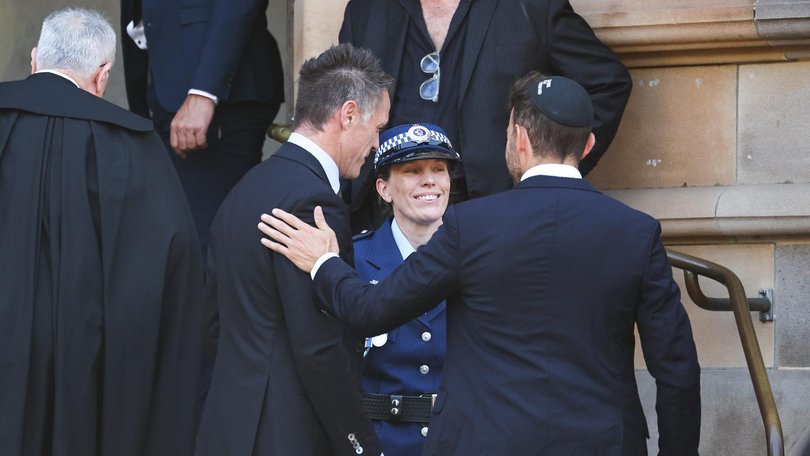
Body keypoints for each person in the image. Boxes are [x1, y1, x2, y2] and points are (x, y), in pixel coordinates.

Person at [259, 74, 701, 455]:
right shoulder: (637, 232)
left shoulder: (472, 225)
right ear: (587, 145)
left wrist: (323, 262)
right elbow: (677, 371)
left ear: (519, 139)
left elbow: (371, 310)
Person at [0, 8, 203, 456]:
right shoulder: (134, 145)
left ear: (34, 59)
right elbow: (175, 262)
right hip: (88, 366)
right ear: (103, 75)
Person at [195, 43, 391, 456]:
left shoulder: (246, 188)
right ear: (348, 114)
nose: (377, 145)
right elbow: (319, 346)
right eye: (377, 128)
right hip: (288, 433)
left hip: (229, 427)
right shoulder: (314, 203)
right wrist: (360, 443)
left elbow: (214, 324)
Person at [340, 0, 634, 233]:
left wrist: (550, 171)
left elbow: (607, 83)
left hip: (496, 217)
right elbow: (340, 106)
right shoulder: (366, 8)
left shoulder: (533, 5)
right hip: (384, 218)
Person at [120, 0, 285, 253]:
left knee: (205, 244)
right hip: (165, 92)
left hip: (216, 99)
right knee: (174, 241)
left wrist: (205, 92)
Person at [355, 123, 460, 456]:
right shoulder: (353, 260)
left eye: (438, 169)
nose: (429, 180)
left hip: (458, 440)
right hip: (379, 442)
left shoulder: (476, 259)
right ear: (384, 189)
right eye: (413, 170)